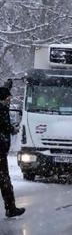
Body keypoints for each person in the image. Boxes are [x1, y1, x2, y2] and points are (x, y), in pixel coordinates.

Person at [0, 87, 25, 217]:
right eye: (8, 97)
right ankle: (10, 208)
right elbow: (4, 125)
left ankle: (11, 208)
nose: (9, 100)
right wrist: (12, 129)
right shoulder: (2, 109)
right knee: (4, 180)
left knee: (4, 180)